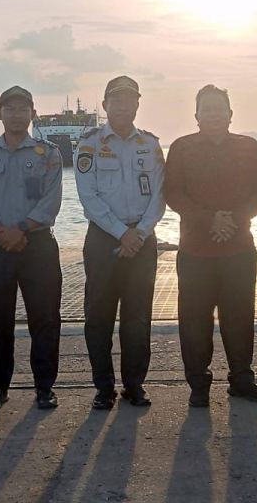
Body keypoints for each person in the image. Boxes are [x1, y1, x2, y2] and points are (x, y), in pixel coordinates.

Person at [164, 85, 257, 407]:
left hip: (239, 248)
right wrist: (209, 220)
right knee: (194, 319)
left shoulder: (249, 146)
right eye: (206, 109)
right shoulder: (181, 148)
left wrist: (233, 220)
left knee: (240, 316)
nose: (213, 114)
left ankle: (241, 378)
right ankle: (198, 383)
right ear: (196, 115)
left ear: (230, 113)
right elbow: (173, 192)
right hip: (195, 250)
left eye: (219, 108)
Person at [0, 85, 64, 412]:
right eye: (10, 108)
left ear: (33, 114)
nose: (17, 114)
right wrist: (0, 231)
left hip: (37, 245)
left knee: (45, 317)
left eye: (24, 109)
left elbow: (52, 199)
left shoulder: (48, 153)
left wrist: (21, 229)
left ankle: (44, 388)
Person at [74, 75, 166, 409]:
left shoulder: (151, 145)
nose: (123, 106)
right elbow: (89, 197)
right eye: (116, 100)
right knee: (98, 316)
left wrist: (138, 233)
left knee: (138, 317)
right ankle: (103, 388)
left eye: (130, 100)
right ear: (105, 105)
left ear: (138, 104)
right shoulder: (90, 144)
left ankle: (134, 385)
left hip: (141, 241)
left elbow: (159, 196)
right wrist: (121, 233)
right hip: (103, 240)